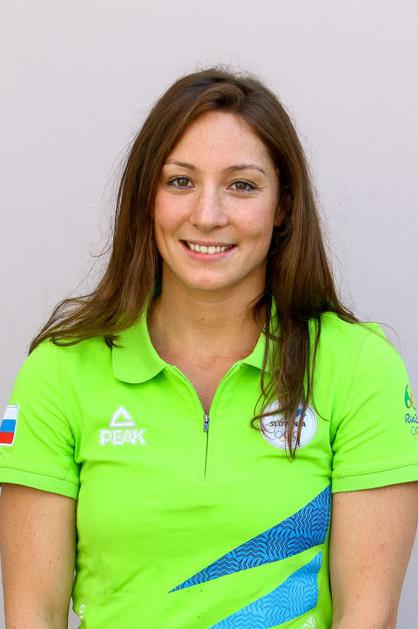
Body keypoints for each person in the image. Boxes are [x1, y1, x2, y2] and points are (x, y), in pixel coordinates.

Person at [0, 67, 417, 629]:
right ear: (146, 198)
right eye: (180, 182)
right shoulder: (59, 371)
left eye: (242, 185)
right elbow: (32, 615)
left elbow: (368, 617)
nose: (207, 215)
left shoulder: (359, 367)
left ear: (283, 205)